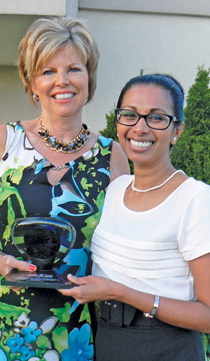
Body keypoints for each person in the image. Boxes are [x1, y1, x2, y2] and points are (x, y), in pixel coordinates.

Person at [0, 17, 129, 361]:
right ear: (31, 83)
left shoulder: (113, 155)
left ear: (89, 78)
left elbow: (124, 243)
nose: (62, 81)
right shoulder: (2, 141)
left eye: (74, 69)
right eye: (47, 71)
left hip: (78, 328)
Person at [60, 74, 210, 360]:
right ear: (118, 124)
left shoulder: (194, 200)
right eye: (129, 115)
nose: (139, 128)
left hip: (164, 345)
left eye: (156, 118)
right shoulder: (116, 189)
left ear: (176, 130)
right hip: (108, 340)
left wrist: (120, 293)